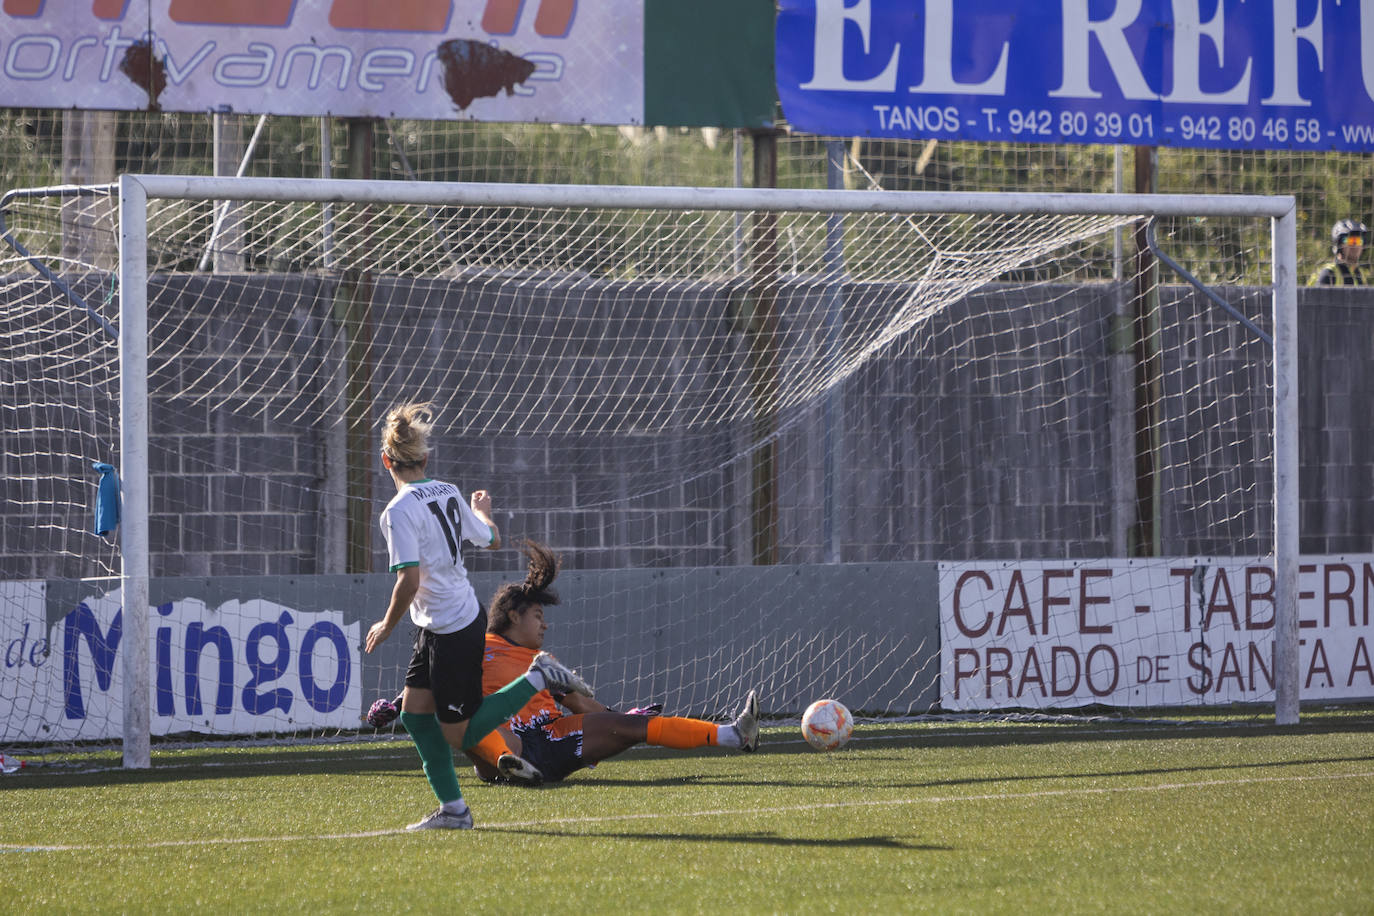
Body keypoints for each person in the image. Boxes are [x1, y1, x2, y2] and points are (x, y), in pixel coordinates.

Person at [363, 401, 594, 830]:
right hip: (444, 623)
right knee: (414, 716)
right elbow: (490, 539)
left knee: (460, 735)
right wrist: (482, 509)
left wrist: (385, 623)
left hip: (451, 630)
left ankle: (537, 678)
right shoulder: (447, 491)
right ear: (425, 458)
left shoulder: (396, 512)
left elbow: (409, 581)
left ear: (385, 461)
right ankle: (454, 810)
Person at [464, 540, 760, 787]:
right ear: (514, 616)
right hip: (508, 743)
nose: (545, 626)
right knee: (464, 717)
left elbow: (581, 704)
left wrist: (619, 717)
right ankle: (507, 762)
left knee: (632, 725)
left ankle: (734, 735)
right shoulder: (480, 647)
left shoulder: (544, 662)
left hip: (553, 736)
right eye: (538, 616)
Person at [1309, 218, 1369, 286]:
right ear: (1339, 244)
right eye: (1350, 240)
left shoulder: (1359, 273)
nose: (1355, 245)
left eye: (1359, 241)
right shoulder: (1329, 273)